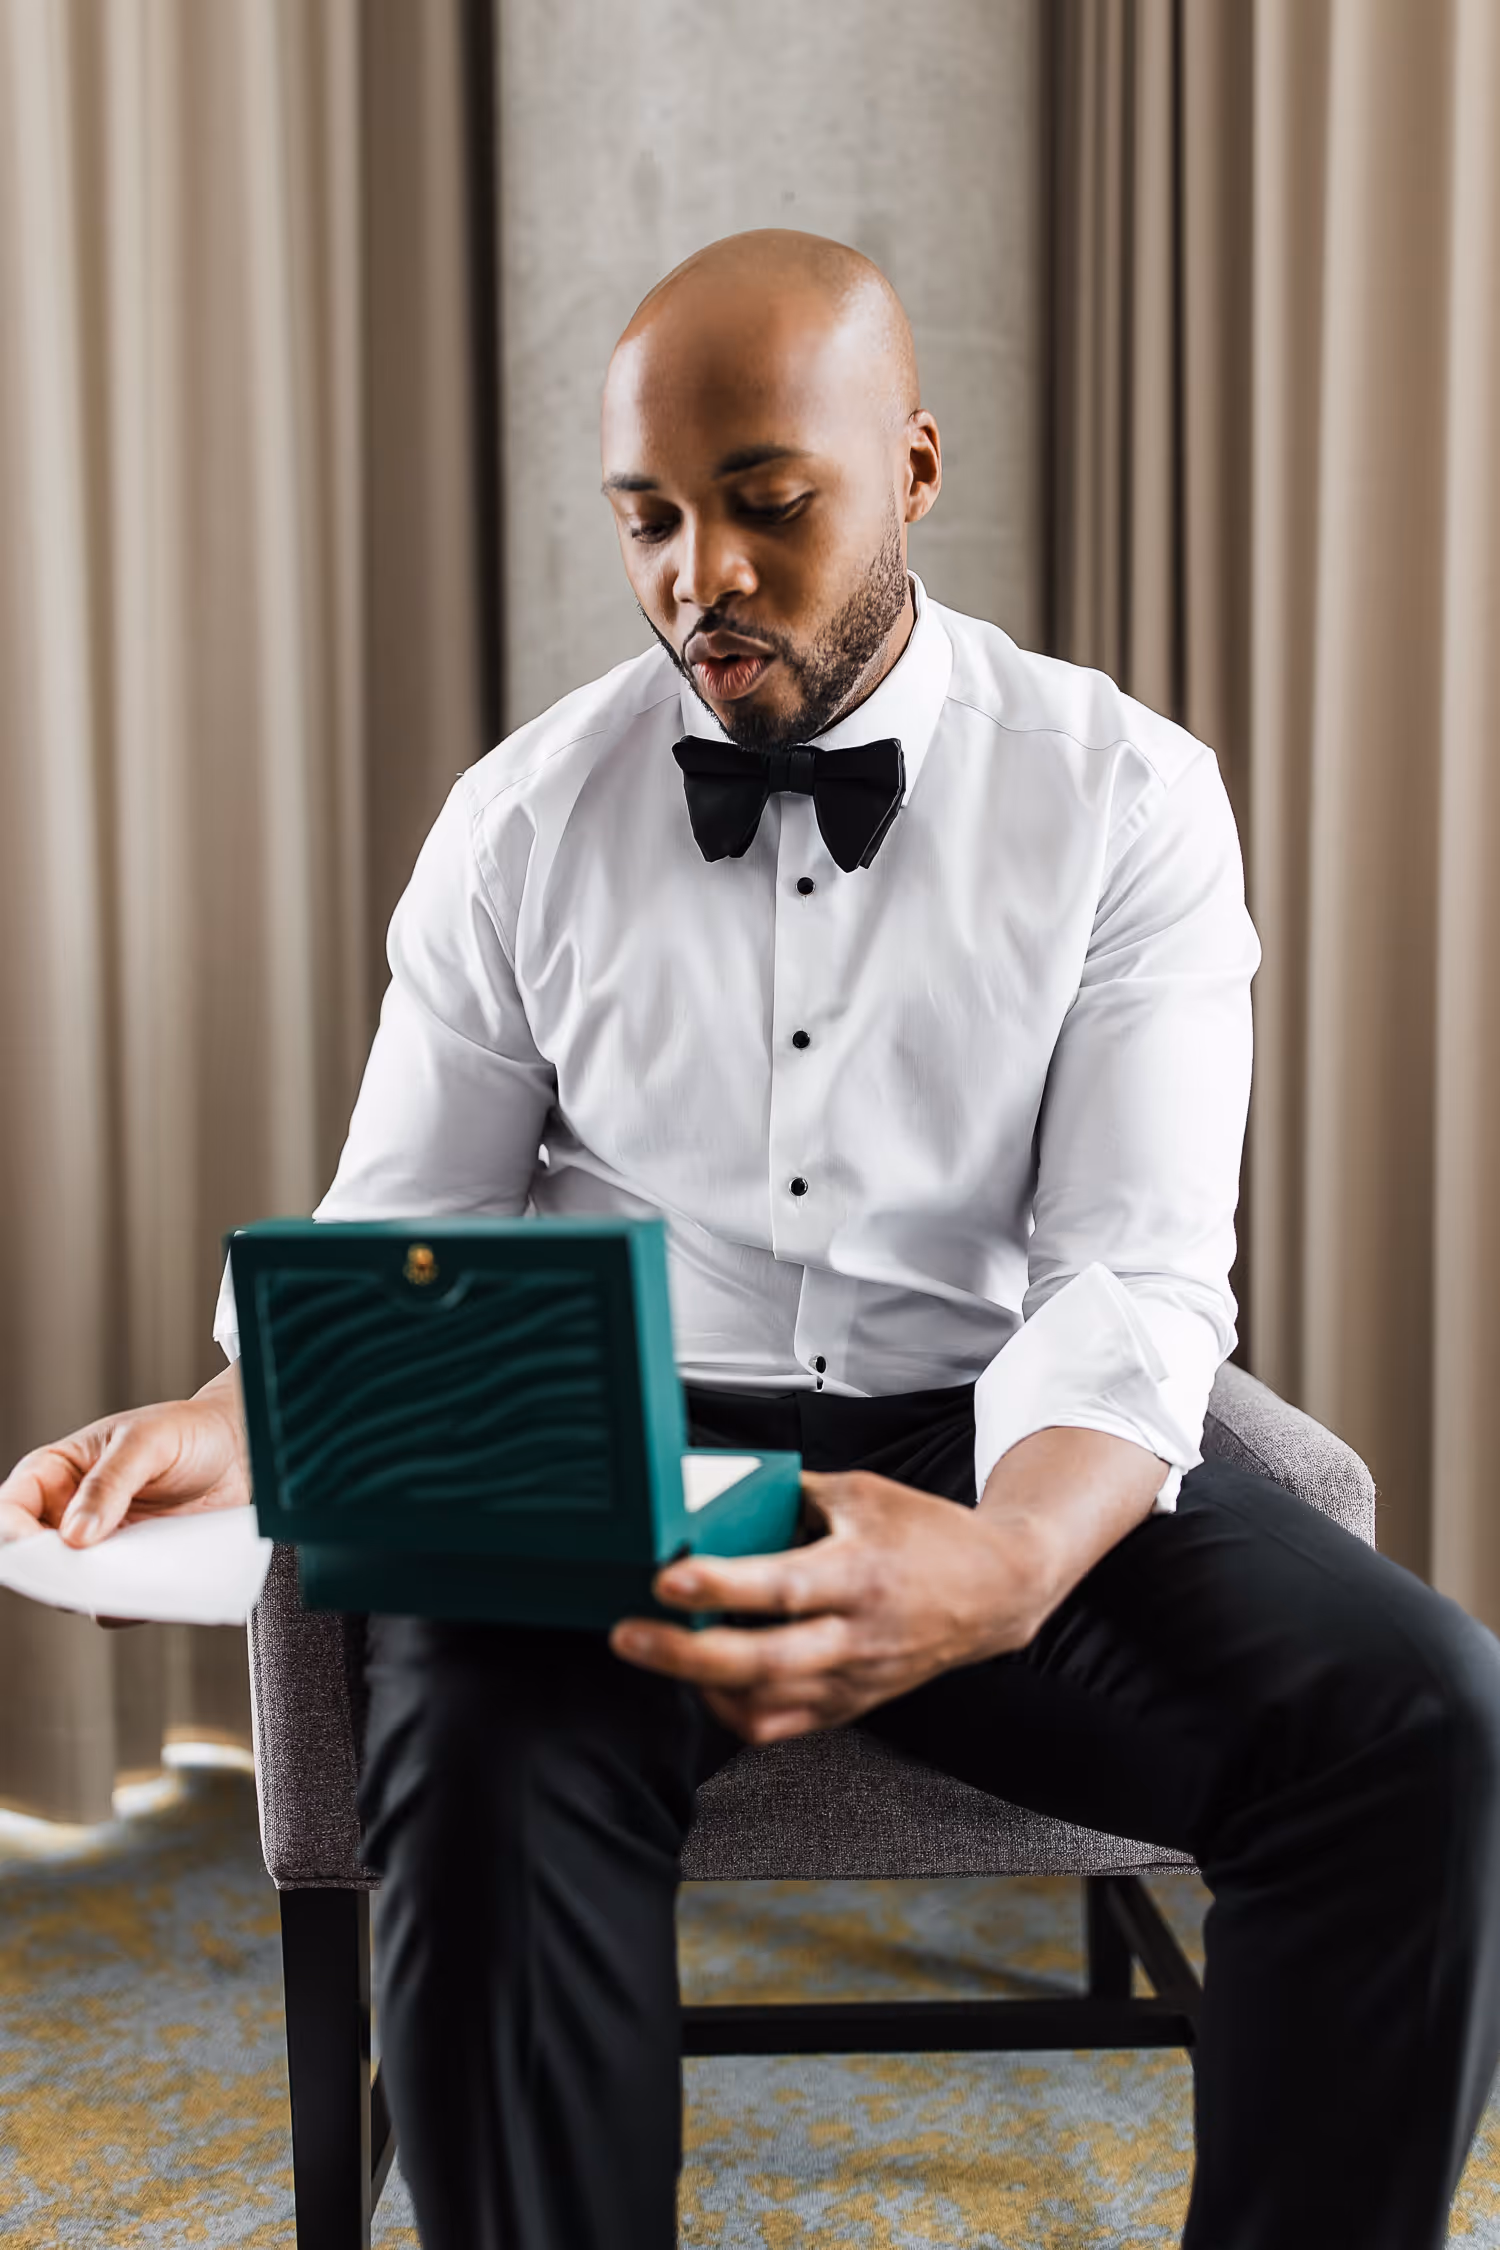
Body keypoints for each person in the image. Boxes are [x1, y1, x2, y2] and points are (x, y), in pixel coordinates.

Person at [4, 229, 1499, 2250]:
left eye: (766, 504)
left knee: (1422, 1723)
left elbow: (1133, 1271)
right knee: (486, 1765)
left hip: (996, 1428)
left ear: (914, 466)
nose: (697, 573)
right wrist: (240, 1402)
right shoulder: (524, 818)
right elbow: (416, 1223)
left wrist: (1007, 1560)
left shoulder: (1130, 799)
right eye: (650, 519)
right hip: (609, 1454)